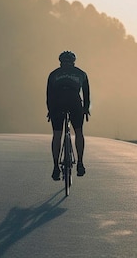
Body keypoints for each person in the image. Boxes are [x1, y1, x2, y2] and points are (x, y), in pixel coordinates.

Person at [46, 50, 90, 181]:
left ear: (60, 62)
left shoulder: (53, 74)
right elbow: (86, 95)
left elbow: (49, 96)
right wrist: (85, 109)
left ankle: (55, 167)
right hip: (75, 103)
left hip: (57, 104)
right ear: (73, 62)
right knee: (78, 132)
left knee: (57, 134)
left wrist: (50, 110)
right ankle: (80, 163)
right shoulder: (81, 74)